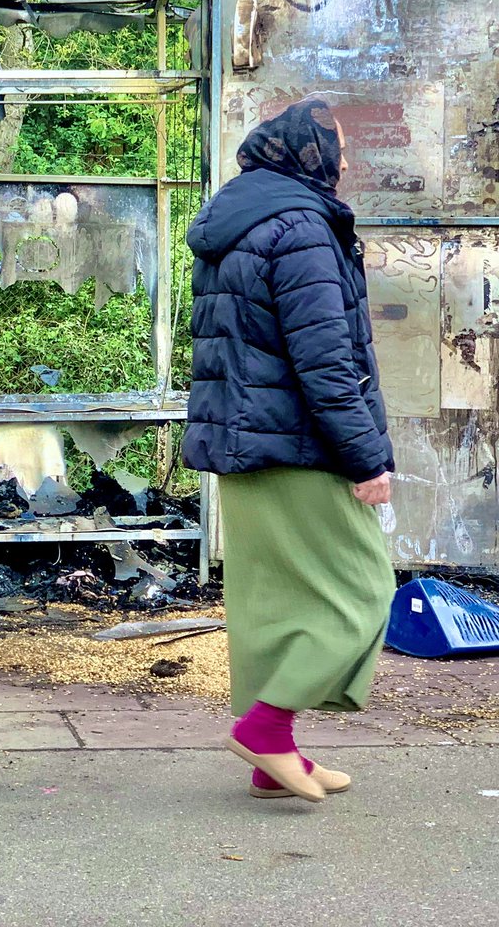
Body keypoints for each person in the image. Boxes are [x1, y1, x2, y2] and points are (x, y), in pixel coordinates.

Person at [183, 97, 396, 804]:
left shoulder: (240, 219)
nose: (346, 160)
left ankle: (273, 758)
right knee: (364, 590)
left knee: (274, 601)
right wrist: (367, 459)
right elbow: (325, 362)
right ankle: (268, 732)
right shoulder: (302, 225)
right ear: (307, 151)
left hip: (245, 445)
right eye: (337, 145)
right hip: (297, 445)